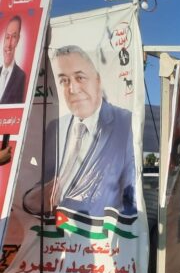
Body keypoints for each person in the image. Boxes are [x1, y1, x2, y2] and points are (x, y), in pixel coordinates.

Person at [23, 45, 136, 218]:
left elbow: (131, 195)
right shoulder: (55, 127)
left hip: (98, 229)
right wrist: (34, 199)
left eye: (80, 78)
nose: (73, 89)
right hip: (57, 228)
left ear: (97, 80)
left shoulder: (125, 123)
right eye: (64, 80)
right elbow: (42, 186)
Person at [0, 16, 26, 105]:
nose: (9, 45)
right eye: (7, 37)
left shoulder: (20, 76)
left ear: (18, 39)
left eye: (14, 37)